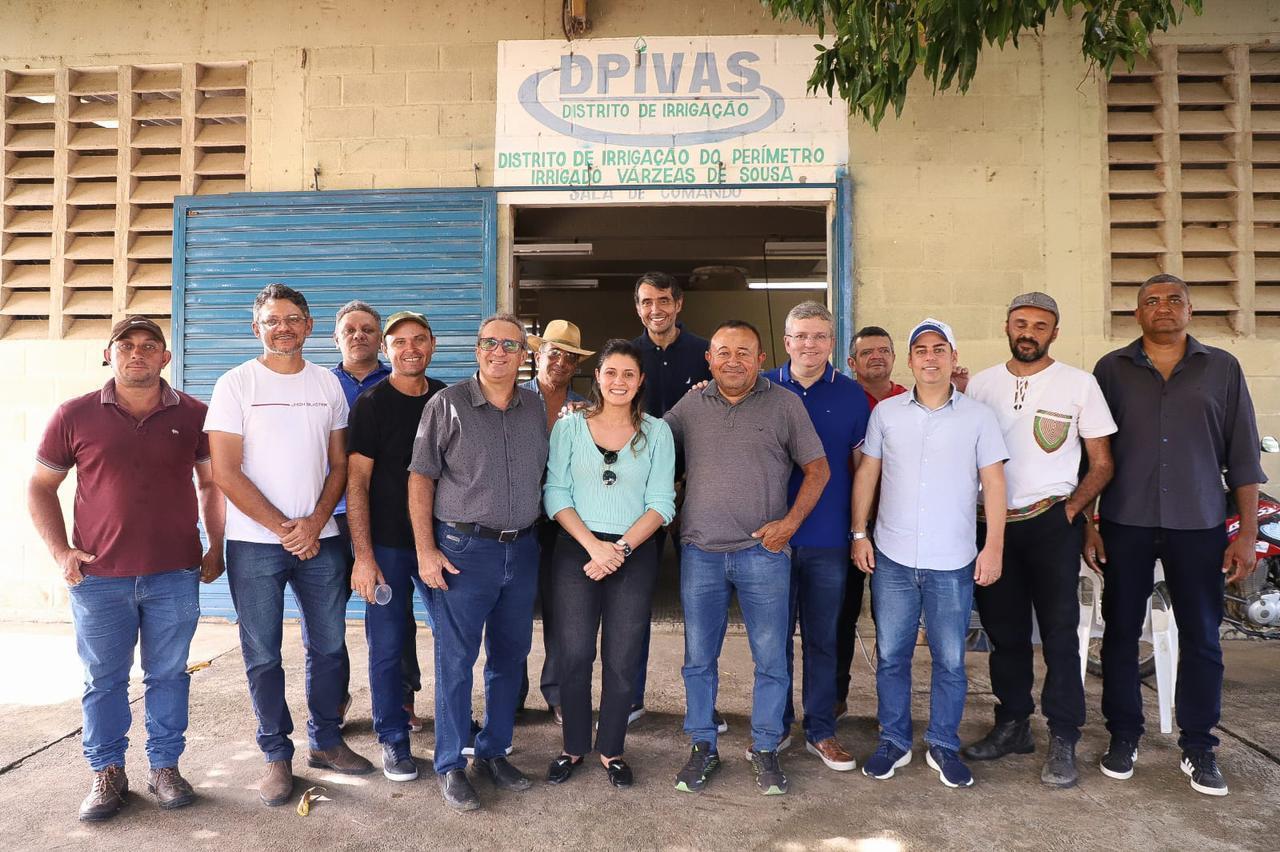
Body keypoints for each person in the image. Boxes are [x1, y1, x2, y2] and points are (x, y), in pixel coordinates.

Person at [28, 316, 226, 821]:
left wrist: (215, 546)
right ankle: (107, 772)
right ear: (109, 355)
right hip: (99, 578)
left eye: (149, 345)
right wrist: (60, 551)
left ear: (165, 357)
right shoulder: (74, 414)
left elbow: (210, 484)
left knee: (168, 675)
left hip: (174, 573)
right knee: (104, 679)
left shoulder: (195, 414)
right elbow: (40, 487)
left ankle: (164, 768)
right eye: (125, 345)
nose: (137, 353)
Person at [1088, 274, 1266, 797]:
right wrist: (1088, 524)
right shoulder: (1111, 370)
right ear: (1137, 313)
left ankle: (1199, 744)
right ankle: (1124, 735)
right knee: (1121, 632)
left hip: (1199, 522)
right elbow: (1092, 454)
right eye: (1151, 300)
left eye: (1173, 300)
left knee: (1202, 635)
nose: (1162, 307)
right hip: (1125, 521)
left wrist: (1247, 532)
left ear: (1189, 310)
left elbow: (1244, 457)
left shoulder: (1223, 369)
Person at [205, 283, 373, 808]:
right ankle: (276, 754)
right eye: (272, 319)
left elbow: (340, 465)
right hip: (255, 544)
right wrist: (286, 528)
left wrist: (315, 523)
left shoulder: (327, 384)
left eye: (293, 318)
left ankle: (325, 741)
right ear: (256, 327)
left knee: (329, 646)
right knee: (262, 653)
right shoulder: (235, 384)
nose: (283, 327)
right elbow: (225, 472)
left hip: (321, 541)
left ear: (309, 325)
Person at [666, 320, 829, 797]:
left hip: (764, 553)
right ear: (709, 359)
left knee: (771, 658)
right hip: (701, 552)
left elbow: (818, 469)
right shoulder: (691, 405)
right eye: (723, 352)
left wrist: (790, 524)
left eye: (744, 352)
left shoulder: (785, 404)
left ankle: (765, 748)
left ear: (761, 359)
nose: (733, 360)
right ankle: (702, 744)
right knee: (699, 659)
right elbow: (645, 442)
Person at [962, 293, 1116, 788]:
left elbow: (1102, 463)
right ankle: (1013, 725)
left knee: (1059, 633)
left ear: (1055, 333)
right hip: (994, 527)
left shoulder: (1079, 383)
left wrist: (1072, 510)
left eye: (1040, 325)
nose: (1029, 332)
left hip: (1051, 521)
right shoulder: (982, 385)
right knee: (1004, 634)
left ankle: (1064, 734)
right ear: (1007, 326)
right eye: (1021, 323)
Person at [852, 317, 1008, 789]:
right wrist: (859, 533)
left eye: (940, 348)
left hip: (952, 561)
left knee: (951, 660)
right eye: (921, 350)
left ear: (953, 357)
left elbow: (994, 485)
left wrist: (993, 546)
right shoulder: (887, 414)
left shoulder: (978, 417)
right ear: (910, 360)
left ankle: (942, 742)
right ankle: (894, 740)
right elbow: (868, 473)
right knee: (892, 656)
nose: (930, 357)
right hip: (894, 557)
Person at [408, 312, 549, 812]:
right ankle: (449, 763)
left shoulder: (535, 408)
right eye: (490, 343)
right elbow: (420, 478)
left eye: (510, 345)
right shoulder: (447, 404)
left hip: (523, 549)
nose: (498, 352)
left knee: (510, 657)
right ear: (477, 349)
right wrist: (426, 551)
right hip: (464, 551)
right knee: (456, 660)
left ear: (523, 355)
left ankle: (493, 751)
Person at [542, 339, 676, 788]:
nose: (619, 381)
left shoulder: (657, 433)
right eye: (611, 372)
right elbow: (555, 493)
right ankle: (573, 746)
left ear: (640, 382)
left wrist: (619, 549)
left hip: (633, 552)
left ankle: (612, 749)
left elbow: (662, 503)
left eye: (628, 374)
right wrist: (593, 547)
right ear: (597, 377)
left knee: (622, 655)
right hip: (575, 549)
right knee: (574, 652)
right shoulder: (569, 428)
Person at [763, 302, 870, 772]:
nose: (810, 344)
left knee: (824, 639)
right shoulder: (760, 386)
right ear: (787, 342)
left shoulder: (852, 396)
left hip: (828, 539)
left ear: (832, 343)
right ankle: (776, 726)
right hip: (770, 539)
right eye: (801, 336)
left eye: (820, 336)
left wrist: (859, 530)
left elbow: (864, 470)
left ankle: (821, 730)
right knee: (773, 640)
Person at [346, 311, 446, 782]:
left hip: (441, 543)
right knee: (386, 645)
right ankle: (392, 737)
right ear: (386, 350)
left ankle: (453, 725)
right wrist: (364, 557)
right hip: (386, 546)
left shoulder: (446, 398)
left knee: (453, 640)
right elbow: (357, 483)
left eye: (419, 340)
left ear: (432, 345)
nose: (410, 349)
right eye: (400, 342)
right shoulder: (371, 404)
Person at [330, 300, 423, 731]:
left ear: (379, 341)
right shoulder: (322, 385)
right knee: (328, 619)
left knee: (394, 617)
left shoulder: (402, 382)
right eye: (350, 329)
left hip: (389, 522)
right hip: (331, 519)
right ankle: (335, 699)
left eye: (367, 329)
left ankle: (402, 700)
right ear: (336, 337)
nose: (358, 336)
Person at [629, 271, 715, 727]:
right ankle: (630, 698)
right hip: (637, 497)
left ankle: (703, 704)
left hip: (695, 493)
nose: (655, 309)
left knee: (699, 605)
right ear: (637, 307)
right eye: (646, 302)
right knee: (633, 602)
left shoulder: (706, 354)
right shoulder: (626, 355)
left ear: (678, 304)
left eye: (663, 300)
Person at [833, 325, 910, 722]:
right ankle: (836, 695)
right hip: (848, 522)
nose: (876, 356)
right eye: (867, 352)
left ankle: (891, 705)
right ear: (852, 362)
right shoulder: (844, 398)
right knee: (842, 614)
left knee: (892, 621)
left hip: (897, 523)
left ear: (894, 358)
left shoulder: (910, 399)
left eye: (883, 350)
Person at [517, 319, 590, 723]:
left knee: (564, 612)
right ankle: (510, 694)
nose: (560, 361)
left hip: (566, 523)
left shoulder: (587, 408)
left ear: (577, 365)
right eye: (553, 352)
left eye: (569, 357)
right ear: (537, 355)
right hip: (519, 519)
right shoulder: (514, 398)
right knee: (513, 610)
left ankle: (559, 693)